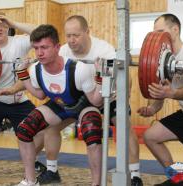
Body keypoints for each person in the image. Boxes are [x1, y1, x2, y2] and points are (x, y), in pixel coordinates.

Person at [35, 15, 143, 186]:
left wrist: (124, 98)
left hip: (109, 95)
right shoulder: (63, 51)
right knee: (51, 127)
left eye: (76, 35)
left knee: (124, 128)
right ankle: (52, 170)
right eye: (68, 35)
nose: (71, 40)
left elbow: (125, 75)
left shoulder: (104, 50)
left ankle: (135, 175)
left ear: (87, 32)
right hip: (82, 97)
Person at [14, 24, 103, 186]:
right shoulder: (35, 70)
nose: (39, 53)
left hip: (84, 106)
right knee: (24, 130)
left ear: (57, 47)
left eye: (44, 47)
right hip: (59, 107)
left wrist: (100, 76)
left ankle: (96, 183)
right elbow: (40, 95)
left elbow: (96, 100)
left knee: (92, 130)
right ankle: (30, 180)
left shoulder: (79, 69)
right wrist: (23, 74)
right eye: (36, 48)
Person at [0, 13, 46, 171]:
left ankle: (30, 160)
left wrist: (13, 21)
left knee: (43, 129)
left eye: (3, 25)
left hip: (17, 100)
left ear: (8, 27)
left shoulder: (19, 42)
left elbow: (42, 31)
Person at [138, 13, 183, 186]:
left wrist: (170, 94)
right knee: (150, 136)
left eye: (160, 31)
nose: (157, 36)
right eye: (154, 32)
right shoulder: (161, 57)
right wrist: (152, 109)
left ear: (175, 30)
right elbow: (163, 90)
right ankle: (180, 178)